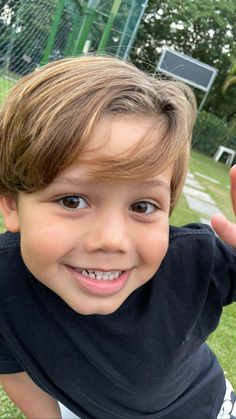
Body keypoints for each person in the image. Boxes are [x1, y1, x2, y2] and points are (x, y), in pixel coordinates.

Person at [0, 55, 235, 419]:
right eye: (72, 200)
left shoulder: (197, 261)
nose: (112, 240)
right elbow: (11, 368)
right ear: (12, 204)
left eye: (142, 206)